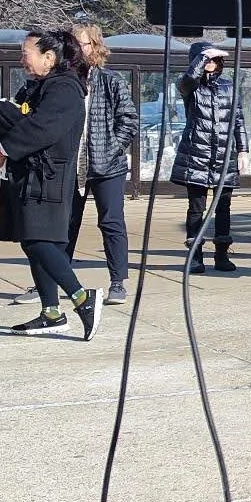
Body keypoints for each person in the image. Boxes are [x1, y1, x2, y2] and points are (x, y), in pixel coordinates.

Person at [0, 30, 101, 339]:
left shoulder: (66, 89)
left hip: (49, 177)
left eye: (26, 53)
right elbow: (4, 120)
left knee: (37, 241)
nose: (22, 59)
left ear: (49, 57)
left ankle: (83, 298)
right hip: (30, 175)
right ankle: (51, 312)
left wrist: (5, 149)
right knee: (38, 244)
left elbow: (40, 128)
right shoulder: (37, 88)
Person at [51, 24, 141, 306]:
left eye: (85, 44)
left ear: (95, 47)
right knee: (63, 224)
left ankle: (118, 282)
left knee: (111, 222)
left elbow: (129, 120)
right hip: (71, 165)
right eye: (75, 45)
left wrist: (111, 148)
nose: (79, 50)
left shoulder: (110, 80)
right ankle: (55, 281)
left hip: (108, 166)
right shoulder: (62, 82)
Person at [171, 41, 248, 275]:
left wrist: (243, 149)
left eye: (215, 60)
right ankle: (195, 256)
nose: (211, 64)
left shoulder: (228, 86)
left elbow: (238, 119)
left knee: (224, 207)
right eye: (207, 60)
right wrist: (202, 59)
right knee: (196, 208)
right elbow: (187, 82)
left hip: (225, 155)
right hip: (197, 154)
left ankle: (222, 254)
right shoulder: (190, 86)